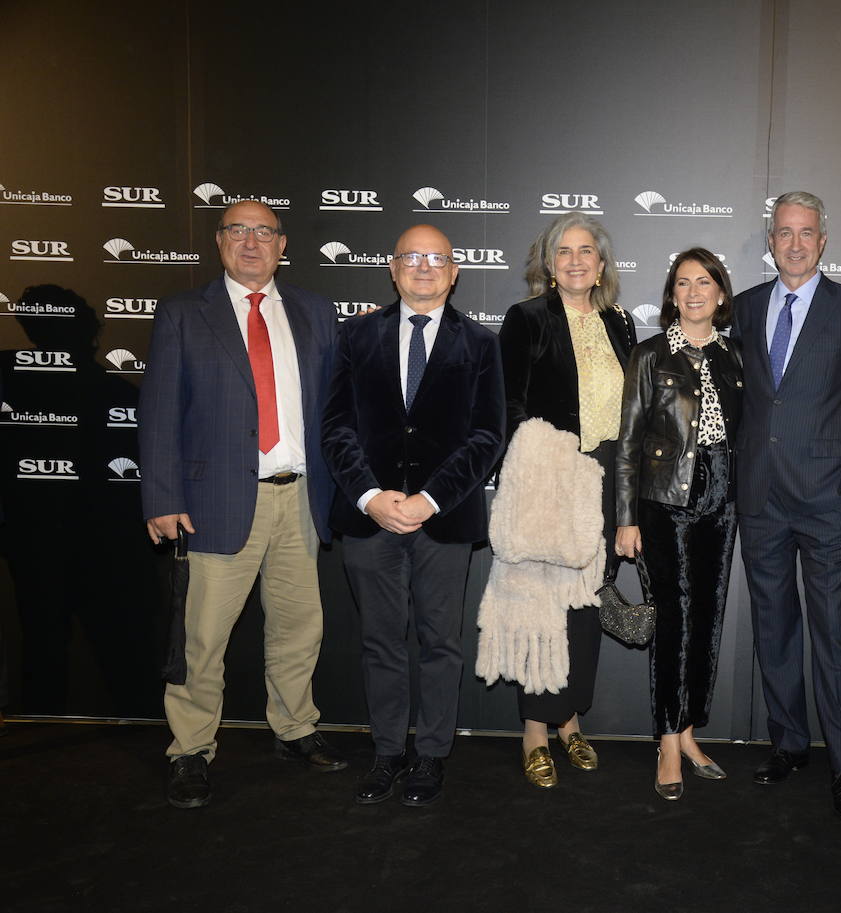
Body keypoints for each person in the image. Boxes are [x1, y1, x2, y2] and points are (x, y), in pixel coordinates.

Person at [139, 201, 345, 809]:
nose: (251, 243)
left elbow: (334, 410)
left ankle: (295, 728)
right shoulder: (183, 313)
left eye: (263, 232)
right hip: (213, 503)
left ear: (283, 245)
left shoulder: (314, 311)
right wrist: (162, 495)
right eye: (237, 231)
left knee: (299, 628)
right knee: (202, 639)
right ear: (219, 242)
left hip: (300, 499)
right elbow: (157, 413)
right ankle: (191, 750)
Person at [322, 224, 505, 806]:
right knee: (379, 641)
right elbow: (335, 427)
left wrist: (427, 500)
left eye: (437, 259)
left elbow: (486, 436)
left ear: (454, 273)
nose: (423, 267)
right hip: (368, 518)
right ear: (393, 269)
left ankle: (430, 755)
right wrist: (371, 497)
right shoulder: (353, 337)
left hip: (443, 521)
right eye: (411, 257)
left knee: (439, 642)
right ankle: (386, 753)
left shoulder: (481, 344)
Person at [733, 191, 841, 820]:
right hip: (760, 496)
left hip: (826, 500)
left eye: (807, 233)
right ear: (771, 240)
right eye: (784, 232)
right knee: (774, 628)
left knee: (832, 633)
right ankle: (789, 742)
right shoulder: (741, 308)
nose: (795, 243)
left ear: (824, 241)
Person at [498, 213, 636, 787]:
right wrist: (535, 477)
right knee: (541, 605)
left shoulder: (620, 324)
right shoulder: (526, 319)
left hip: (606, 480)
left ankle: (571, 722)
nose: (576, 260)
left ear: (601, 264)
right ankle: (534, 728)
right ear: (548, 265)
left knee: (585, 604)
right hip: (548, 477)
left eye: (587, 251)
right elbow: (508, 405)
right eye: (564, 252)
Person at [614, 248, 743, 800]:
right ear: (671, 295)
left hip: (721, 500)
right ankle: (667, 738)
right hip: (662, 503)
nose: (693, 292)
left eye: (704, 282)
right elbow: (628, 444)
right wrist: (625, 519)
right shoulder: (649, 355)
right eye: (683, 283)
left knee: (708, 619)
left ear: (719, 293)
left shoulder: (734, 356)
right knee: (673, 620)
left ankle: (689, 731)